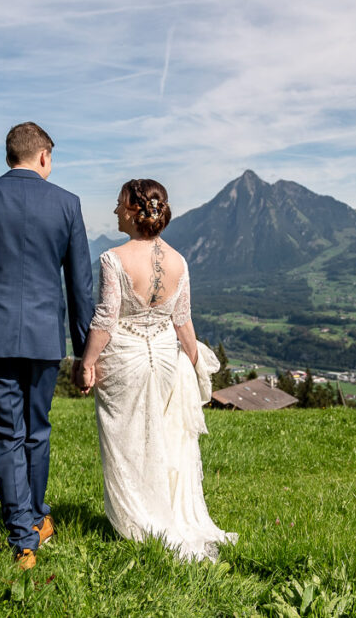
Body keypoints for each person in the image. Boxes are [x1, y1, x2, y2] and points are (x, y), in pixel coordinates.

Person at [0, 122, 95, 570]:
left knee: (7, 436)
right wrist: (85, 353)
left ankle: (23, 535)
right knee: (37, 429)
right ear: (44, 156)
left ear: (11, 156)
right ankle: (34, 521)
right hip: (46, 338)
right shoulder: (68, 204)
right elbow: (80, 286)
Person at [78, 179, 237, 562]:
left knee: (127, 442)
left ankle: (139, 521)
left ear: (134, 211)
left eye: (119, 204)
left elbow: (105, 319)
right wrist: (197, 366)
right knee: (162, 438)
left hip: (124, 362)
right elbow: (182, 322)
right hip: (165, 359)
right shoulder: (179, 262)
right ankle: (163, 513)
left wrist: (86, 363)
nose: (115, 210)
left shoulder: (113, 259)